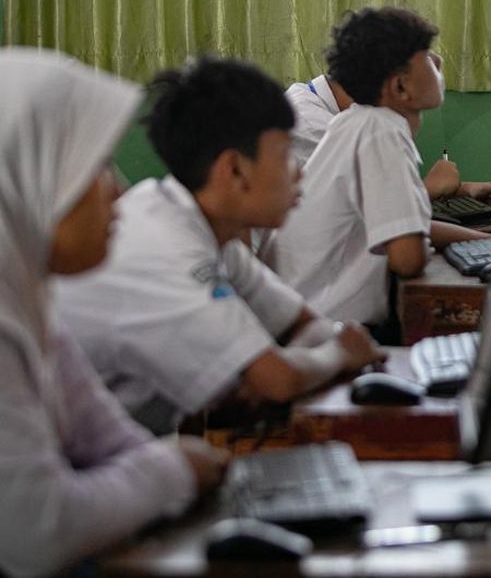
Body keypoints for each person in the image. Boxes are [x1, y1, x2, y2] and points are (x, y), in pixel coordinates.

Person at [54, 57, 385, 436]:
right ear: (234, 170)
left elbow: (303, 326)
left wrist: (300, 359)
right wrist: (340, 353)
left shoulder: (203, 226)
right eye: (284, 156)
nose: (298, 173)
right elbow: (277, 380)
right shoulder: (166, 248)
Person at [0, 49, 229, 576]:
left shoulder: (31, 300)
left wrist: (165, 466)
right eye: (96, 167)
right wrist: (175, 468)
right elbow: (41, 530)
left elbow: (107, 439)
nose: (121, 191)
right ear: (33, 172)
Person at [261, 6, 491, 325]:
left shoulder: (356, 124)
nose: (438, 63)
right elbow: (407, 259)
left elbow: (406, 231)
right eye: (426, 56)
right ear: (400, 88)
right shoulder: (382, 131)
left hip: (306, 319)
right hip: (326, 330)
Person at [286, 69, 491, 204]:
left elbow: (379, 197)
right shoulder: (313, 129)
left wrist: (463, 190)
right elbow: (378, 216)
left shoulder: (313, 100)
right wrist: (427, 189)